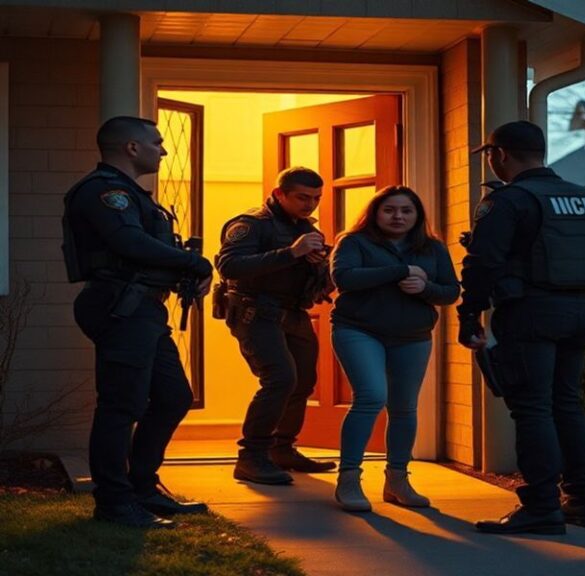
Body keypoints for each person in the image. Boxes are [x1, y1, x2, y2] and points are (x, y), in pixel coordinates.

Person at [457, 121, 585, 535]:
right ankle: (583, 502)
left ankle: (542, 507)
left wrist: (468, 315)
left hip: (530, 314)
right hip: (583, 311)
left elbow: (483, 263)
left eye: (491, 156)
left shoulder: (509, 201)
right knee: (566, 403)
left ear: (500, 155)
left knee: (532, 408)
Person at [62, 116, 213, 528]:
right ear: (132, 148)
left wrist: (190, 274)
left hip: (143, 309)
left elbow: (144, 250)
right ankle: (114, 502)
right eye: (157, 142)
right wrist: (192, 261)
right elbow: (127, 242)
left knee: (172, 397)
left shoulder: (131, 194)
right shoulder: (106, 193)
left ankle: (142, 487)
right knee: (121, 405)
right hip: (121, 307)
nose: (163, 150)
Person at [330, 186, 459, 512]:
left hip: (412, 336)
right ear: (375, 212)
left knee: (404, 407)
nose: (398, 216)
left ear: (417, 216)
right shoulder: (354, 242)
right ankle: (349, 479)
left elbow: (450, 291)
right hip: (359, 330)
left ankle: (397, 480)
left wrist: (425, 287)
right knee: (372, 396)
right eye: (389, 209)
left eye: (406, 210)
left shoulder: (432, 248)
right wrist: (399, 271)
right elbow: (344, 278)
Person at [216, 167, 336, 486]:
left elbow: (309, 273)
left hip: (294, 312)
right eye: (302, 197)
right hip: (255, 311)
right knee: (280, 377)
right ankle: (251, 457)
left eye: (316, 199)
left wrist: (320, 269)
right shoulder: (251, 224)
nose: (310, 205)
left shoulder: (307, 228)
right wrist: (291, 252)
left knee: (303, 381)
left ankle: (282, 449)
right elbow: (230, 266)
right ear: (280, 193)